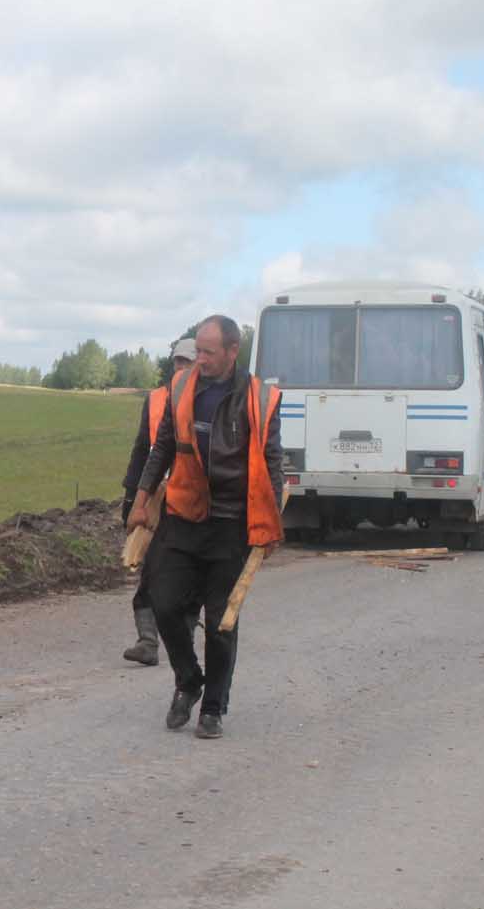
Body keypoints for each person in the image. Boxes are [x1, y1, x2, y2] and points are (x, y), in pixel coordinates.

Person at [125, 315, 283, 739]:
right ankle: (189, 679)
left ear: (233, 351)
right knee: (164, 602)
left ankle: (213, 707)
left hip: (233, 522)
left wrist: (271, 525)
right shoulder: (182, 388)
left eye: (208, 352)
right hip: (183, 514)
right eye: (197, 351)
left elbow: (272, 462)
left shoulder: (260, 398)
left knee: (219, 622)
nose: (200, 360)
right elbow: (161, 447)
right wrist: (140, 501)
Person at [120, 338, 197, 665]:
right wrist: (132, 497)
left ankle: (184, 640)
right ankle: (148, 641)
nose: (181, 367)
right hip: (156, 499)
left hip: (192, 501)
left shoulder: (206, 401)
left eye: (188, 362)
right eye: (178, 361)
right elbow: (143, 450)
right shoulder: (155, 400)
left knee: (189, 574)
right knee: (151, 567)